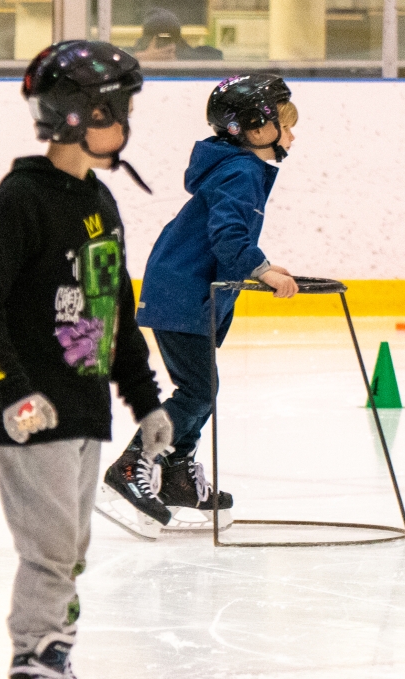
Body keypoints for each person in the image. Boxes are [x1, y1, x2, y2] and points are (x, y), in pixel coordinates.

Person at [0, 40, 173, 679]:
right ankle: (36, 652)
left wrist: (146, 399)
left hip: (85, 404)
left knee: (71, 548)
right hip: (33, 411)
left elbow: (114, 308)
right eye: (119, 109)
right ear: (81, 115)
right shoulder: (23, 199)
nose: (127, 123)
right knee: (51, 549)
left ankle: (56, 644)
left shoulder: (100, 203)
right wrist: (13, 393)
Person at [99, 74, 299, 538]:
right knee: (197, 390)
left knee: (201, 388)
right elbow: (228, 235)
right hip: (184, 290)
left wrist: (261, 263)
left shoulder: (237, 166)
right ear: (252, 126)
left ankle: (175, 475)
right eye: (285, 125)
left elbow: (229, 236)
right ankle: (133, 466)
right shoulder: (242, 170)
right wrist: (262, 269)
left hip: (187, 288)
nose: (292, 136)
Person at [132, 9, 223, 61]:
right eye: (159, 38)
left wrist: (179, 57)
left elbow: (217, 57)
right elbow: (120, 58)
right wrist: (142, 57)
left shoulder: (183, 49)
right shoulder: (137, 52)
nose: (164, 41)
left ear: (176, 38)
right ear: (147, 39)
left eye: (169, 38)